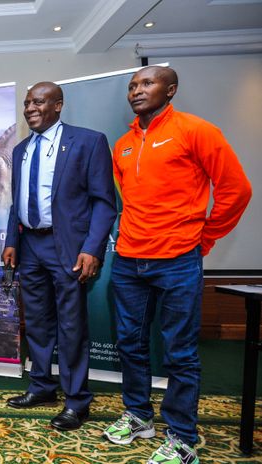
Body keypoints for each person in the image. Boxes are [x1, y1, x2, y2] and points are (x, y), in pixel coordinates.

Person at [104, 66, 251, 464]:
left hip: (177, 260)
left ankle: (182, 437)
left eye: (147, 83)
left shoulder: (196, 130)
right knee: (130, 344)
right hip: (129, 260)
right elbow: (128, 199)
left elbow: (236, 189)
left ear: (170, 90)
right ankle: (138, 416)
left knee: (180, 352)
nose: (136, 90)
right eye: (132, 85)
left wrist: (205, 236)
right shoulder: (123, 145)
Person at [2, 82, 116, 431]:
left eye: (39, 102)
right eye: (27, 103)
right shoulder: (21, 149)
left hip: (67, 247)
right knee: (36, 322)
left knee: (71, 325)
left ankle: (76, 400)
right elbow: (18, 201)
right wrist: (12, 241)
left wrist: (91, 248)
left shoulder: (88, 141)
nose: (30, 108)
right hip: (30, 246)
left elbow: (104, 202)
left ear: (58, 105)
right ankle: (41, 387)